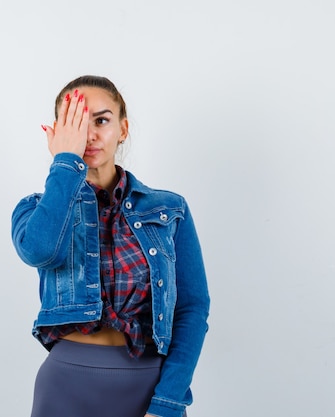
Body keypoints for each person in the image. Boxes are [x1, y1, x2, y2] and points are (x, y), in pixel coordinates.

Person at [11, 75, 210, 417]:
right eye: (75, 123)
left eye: (101, 120)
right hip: (65, 385)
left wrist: (169, 401)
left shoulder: (169, 209)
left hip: (151, 386)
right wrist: (65, 164)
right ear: (57, 133)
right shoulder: (35, 209)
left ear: (123, 128)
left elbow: (192, 309)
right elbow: (40, 250)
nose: (88, 135)